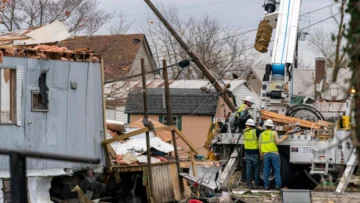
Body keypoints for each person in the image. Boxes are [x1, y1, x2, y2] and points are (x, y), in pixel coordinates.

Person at [259, 119, 289, 190]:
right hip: (274, 154)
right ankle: (278, 185)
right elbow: (278, 142)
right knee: (277, 170)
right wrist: (284, 138)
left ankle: (266, 186)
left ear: (265, 126)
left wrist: (261, 155)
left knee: (266, 170)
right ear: (271, 126)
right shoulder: (273, 133)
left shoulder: (261, 134)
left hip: (266, 154)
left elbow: (259, 146)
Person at [243, 118, 264, 189]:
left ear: (248, 125)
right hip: (255, 153)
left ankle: (249, 184)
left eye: (246, 124)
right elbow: (262, 132)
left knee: (248, 169)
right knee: (256, 169)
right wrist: (259, 127)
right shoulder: (256, 131)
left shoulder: (244, 131)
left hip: (247, 153)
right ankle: (256, 184)